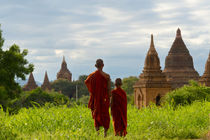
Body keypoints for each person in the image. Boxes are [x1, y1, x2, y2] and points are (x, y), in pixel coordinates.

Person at [85, 59, 111, 137]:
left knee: (96, 115)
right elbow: (109, 89)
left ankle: (97, 133)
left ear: (96, 66)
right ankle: (105, 133)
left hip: (95, 98)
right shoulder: (107, 76)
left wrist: (93, 92)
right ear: (103, 65)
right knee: (105, 115)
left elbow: (86, 82)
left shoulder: (92, 75)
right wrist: (109, 98)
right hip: (104, 99)